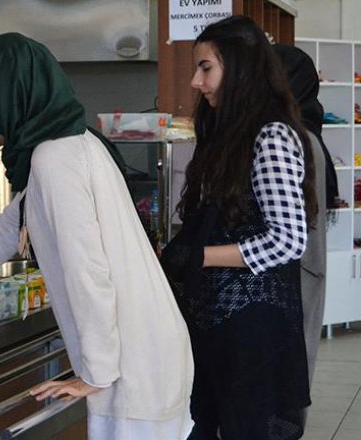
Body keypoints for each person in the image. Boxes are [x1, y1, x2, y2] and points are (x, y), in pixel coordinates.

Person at [0, 33, 194, 439]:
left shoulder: (54, 159)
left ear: (10, 97)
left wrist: (95, 373)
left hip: (136, 369)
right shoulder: (67, 144)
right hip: (142, 355)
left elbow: (87, 270)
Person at [160, 16, 317, 439]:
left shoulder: (271, 137)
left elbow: (288, 240)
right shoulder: (228, 134)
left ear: (240, 68)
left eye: (206, 68)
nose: (195, 82)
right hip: (220, 328)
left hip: (253, 337)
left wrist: (200, 256)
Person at [274, 43, 330, 427]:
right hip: (303, 269)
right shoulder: (305, 132)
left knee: (286, 382)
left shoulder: (295, 138)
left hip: (294, 272)